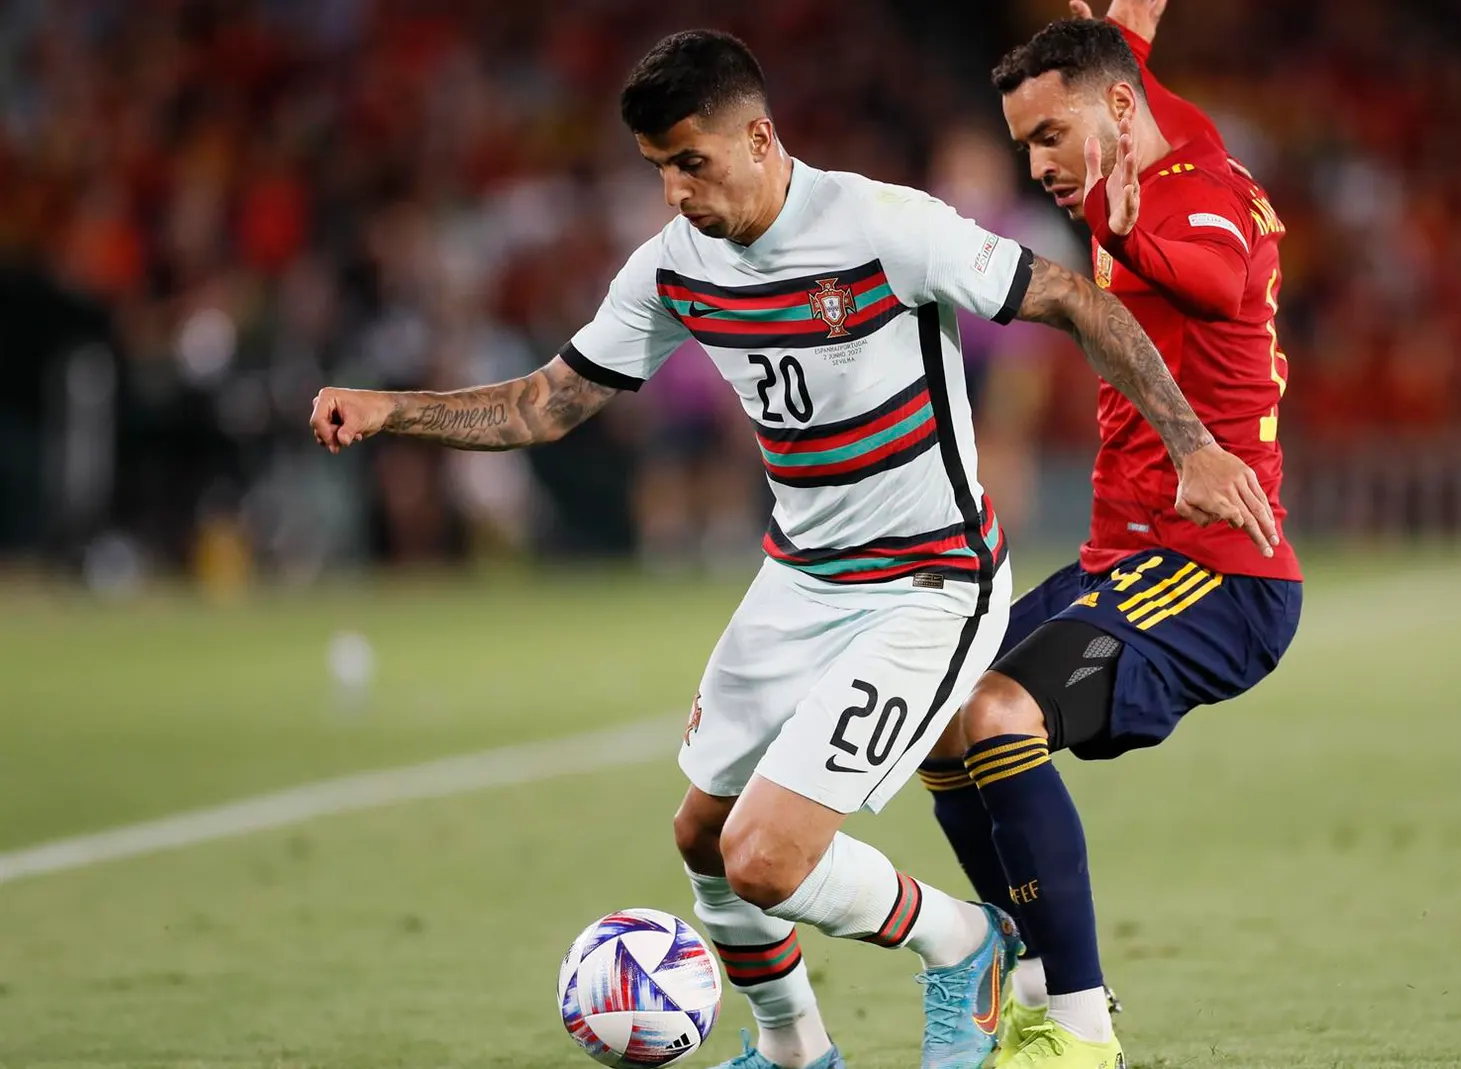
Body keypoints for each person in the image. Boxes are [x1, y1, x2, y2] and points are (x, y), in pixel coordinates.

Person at [307, 28, 1274, 1069]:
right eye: (658, 170)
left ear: (760, 138)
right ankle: (794, 1051)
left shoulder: (883, 226)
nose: (676, 191)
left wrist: (1190, 445)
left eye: (692, 162)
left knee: (763, 858)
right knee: (699, 837)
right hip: (800, 577)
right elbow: (549, 403)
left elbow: (1072, 298)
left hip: (929, 586)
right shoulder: (675, 267)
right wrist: (392, 409)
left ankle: (967, 943)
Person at [916, 4, 1306, 1066]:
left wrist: (1122, 228)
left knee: (998, 712)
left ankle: (1079, 1033)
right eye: (1024, 144)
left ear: (1118, 115)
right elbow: (1115, 67)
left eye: (1050, 138)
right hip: (1126, 562)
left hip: (1217, 576)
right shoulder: (1141, 123)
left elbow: (1217, 277)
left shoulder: (1200, 199)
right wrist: (1124, 32)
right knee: (939, 713)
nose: (1038, 164)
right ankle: (1027, 974)